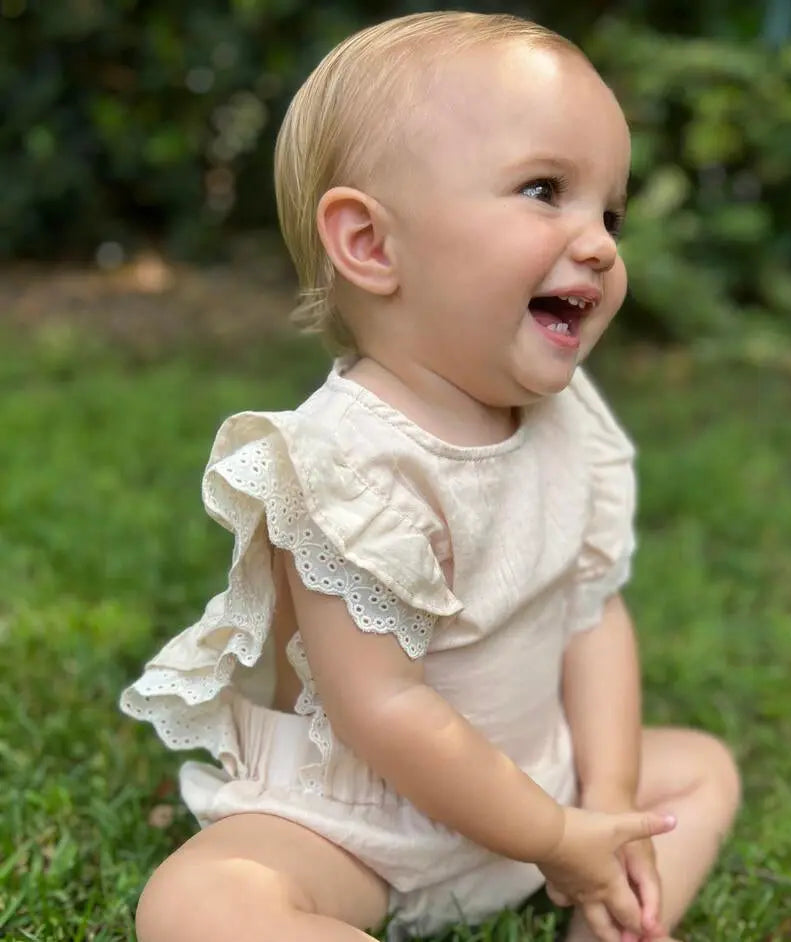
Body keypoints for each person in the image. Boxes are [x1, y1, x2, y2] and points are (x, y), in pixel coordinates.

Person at [120, 12, 740, 942]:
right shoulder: (344, 465)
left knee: (699, 770)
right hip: (369, 828)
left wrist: (601, 808)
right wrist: (550, 831)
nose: (602, 243)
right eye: (545, 190)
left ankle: (610, 924)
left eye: (608, 212)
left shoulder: (569, 422)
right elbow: (385, 709)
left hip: (541, 790)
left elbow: (592, 611)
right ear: (370, 244)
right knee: (197, 905)